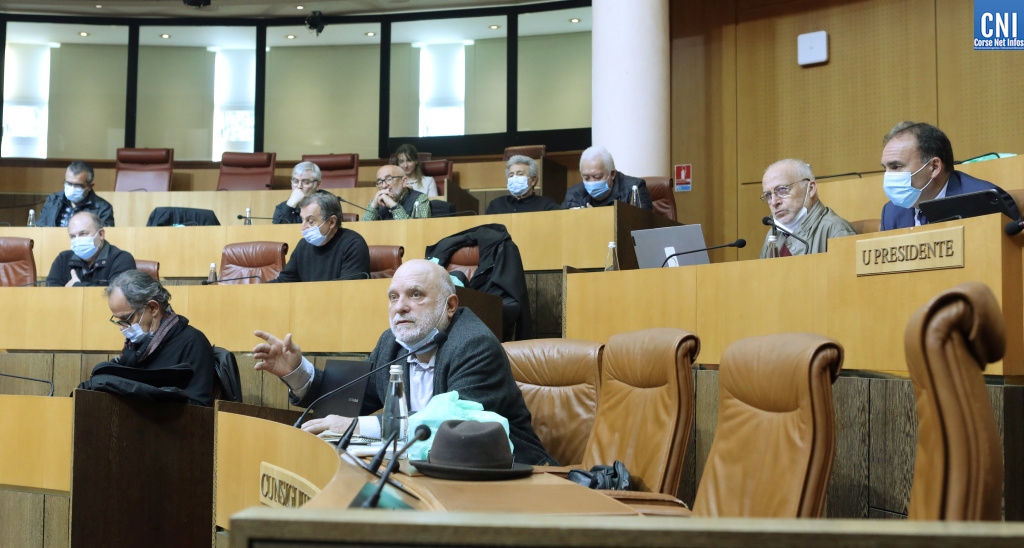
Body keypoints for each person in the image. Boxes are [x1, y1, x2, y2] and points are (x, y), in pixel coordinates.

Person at [252, 259, 555, 465]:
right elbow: (347, 401)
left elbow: (454, 427)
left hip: (514, 477)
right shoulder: (392, 344)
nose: (400, 307)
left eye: (415, 295)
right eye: (393, 297)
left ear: (450, 306)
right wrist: (296, 372)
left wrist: (357, 426)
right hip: (432, 473)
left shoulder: (473, 345)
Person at [81, 270, 216, 406]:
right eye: (119, 320)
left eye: (127, 318)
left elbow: (200, 408)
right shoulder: (133, 346)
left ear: (153, 308)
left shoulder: (193, 343)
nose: (122, 328)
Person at [880, 121, 1021, 230]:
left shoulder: (984, 202)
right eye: (885, 168)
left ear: (934, 167)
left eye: (896, 167)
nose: (888, 176)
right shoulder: (892, 211)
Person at [759, 159, 856, 258]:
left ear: (810, 189)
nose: (774, 202)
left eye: (782, 190)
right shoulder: (773, 234)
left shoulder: (836, 230)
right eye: (768, 195)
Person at [269, 191, 370, 283]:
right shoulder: (303, 245)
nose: (303, 227)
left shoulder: (353, 245)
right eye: (302, 220)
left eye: (310, 221)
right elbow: (284, 281)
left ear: (331, 222)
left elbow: (347, 288)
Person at [45, 211, 136, 287]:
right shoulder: (63, 259)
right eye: (73, 236)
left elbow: (118, 296)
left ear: (101, 234)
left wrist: (76, 286)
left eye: (83, 233)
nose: (77, 240)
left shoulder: (122, 259)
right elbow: (51, 295)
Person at [561, 146, 652, 210]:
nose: (592, 182)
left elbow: (641, 225)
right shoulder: (574, 194)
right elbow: (561, 225)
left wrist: (597, 218)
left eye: (597, 177)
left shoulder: (634, 189)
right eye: (586, 178)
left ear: (612, 174)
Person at [39, 161, 115, 227]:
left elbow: (103, 236)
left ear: (89, 186)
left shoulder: (103, 208)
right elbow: (40, 229)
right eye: (69, 183)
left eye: (78, 185)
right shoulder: (53, 200)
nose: (72, 189)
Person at [485, 155, 559, 214]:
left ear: (533, 180)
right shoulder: (496, 205)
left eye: (520, 174)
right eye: (511, 175)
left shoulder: (546, 206)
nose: (514, 178)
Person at [363, 165, 431, 221]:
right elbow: (363, 229)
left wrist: (393, 206)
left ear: (403, 181)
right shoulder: (377, 202)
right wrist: (373, 206)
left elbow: (419, 229)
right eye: (379, 182)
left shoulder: (420, 199)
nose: (384, 186)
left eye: (389, 179)